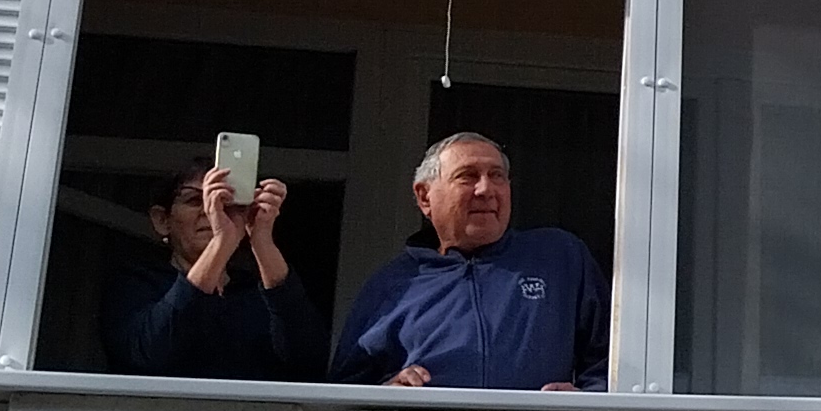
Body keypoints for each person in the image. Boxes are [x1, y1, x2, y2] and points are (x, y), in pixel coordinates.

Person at [329, 133, 609, 390]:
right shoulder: (393, 284)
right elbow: (344, 392)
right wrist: (389, 390)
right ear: (425, 197)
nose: (486, 189)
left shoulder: (557, 256)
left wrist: (586, 401)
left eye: (497, 176)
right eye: (467, 176)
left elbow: (614, 356)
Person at [104, 156, 321, 380]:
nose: (210, 210)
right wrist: (222, 242)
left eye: (225, 202)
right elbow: (150, 355)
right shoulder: (136, 282)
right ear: (162, 220)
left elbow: (309, 362)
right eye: (194, 200)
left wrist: (262, 240)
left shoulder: (254, 291)